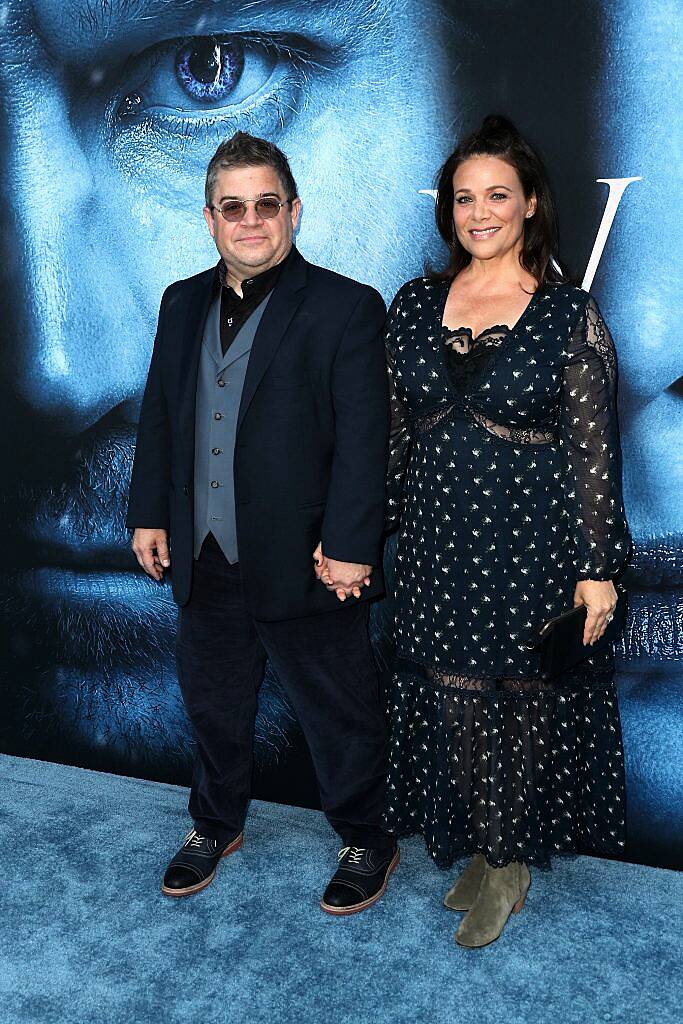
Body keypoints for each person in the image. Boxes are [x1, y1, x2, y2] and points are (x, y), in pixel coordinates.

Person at [126, 132, 398, 911]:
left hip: (309, 558)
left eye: (266, 205)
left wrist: (350, 546)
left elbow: (363, 439)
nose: (250, 221)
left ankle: (365, 837)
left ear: (293, 212)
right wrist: (150, 512)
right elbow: (161, 419)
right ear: (208, 218)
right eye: (232, 207)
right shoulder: (180, 303)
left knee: (338, 711)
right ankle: (215, 821)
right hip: (202, 551)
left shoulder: (347, 306)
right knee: (212, 703)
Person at [384, 115, 631, 947]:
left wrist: (597, 569)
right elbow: (389, 439)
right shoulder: (415, 302)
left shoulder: (566, 313)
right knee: (454, 705)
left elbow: (594, 455)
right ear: (447, 210)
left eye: (497, 195)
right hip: (437, 545)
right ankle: (491, 847)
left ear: (529, 204)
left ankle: (508, 858)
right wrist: (353, 534)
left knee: (520, 707)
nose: (479, 212)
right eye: (464, 197)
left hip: (531, 542)